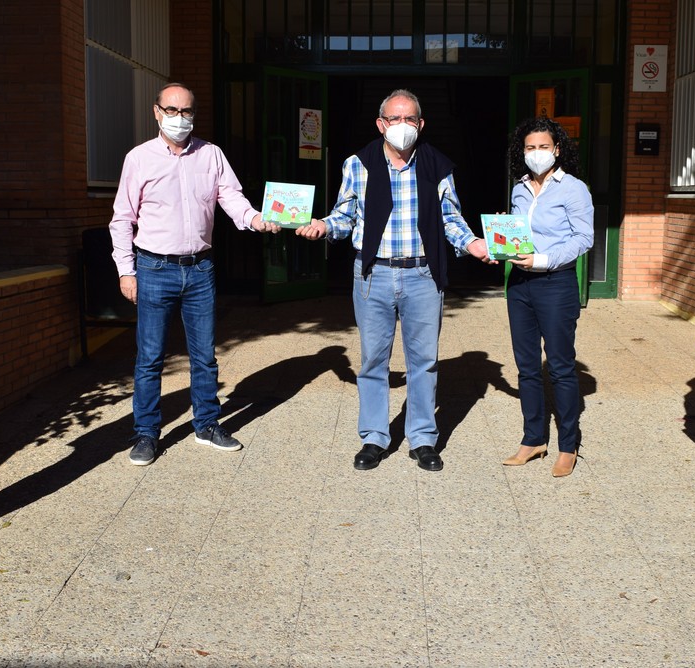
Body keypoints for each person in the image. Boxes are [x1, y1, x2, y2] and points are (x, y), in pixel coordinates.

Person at [296, 89, 492, 472]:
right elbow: (345, 214)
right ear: (380, 124)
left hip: (422, 273)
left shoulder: (439, 165)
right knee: (372, 360)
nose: (401, 126)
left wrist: (473, 244)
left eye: (409, 119)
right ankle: (374, 437)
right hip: (374, 274)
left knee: (424, 361)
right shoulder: (359, 164)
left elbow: (451, 219)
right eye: (394, 119)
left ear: (420, 124)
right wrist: (323, 226)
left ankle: (422, 438)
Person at [109, 83, 280, 466]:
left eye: (186, 112)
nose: (179, 119)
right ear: (156, 112)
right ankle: (147, 435)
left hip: (200, 269)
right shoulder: (139, 159)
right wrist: (126, 271)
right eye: (172, 111)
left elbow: (232, 198)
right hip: (153, 268)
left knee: (204, 357)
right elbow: (123, 219)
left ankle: (207, 425)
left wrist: (255, 219)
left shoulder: (211, 155)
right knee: (150, 358)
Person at [500, 117, 593, 478]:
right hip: (519, 285)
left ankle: (568, 445)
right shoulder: (519, 188)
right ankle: (533, 439)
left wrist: (542, 259)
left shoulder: (573, 189)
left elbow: (583, 239)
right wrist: (502, 248)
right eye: (529, 147)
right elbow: (515, 232)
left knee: (560, 366)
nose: (536, 153)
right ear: (521, 152)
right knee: (526, 367)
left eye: (543, 146)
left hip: (556, 284)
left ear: (557, 149)